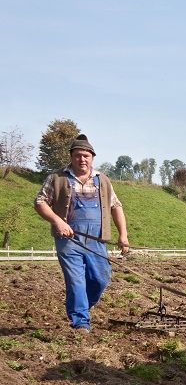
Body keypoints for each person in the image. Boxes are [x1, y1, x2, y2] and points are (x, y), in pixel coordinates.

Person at [34, 134, 130, 334]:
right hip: (68, 239)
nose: (82, 159)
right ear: (71, 157)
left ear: (92, 157)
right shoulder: (57, 178)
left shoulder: (102, 180)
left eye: (86, 155)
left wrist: (123, 235)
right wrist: (57, 221)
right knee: (76, 280)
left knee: (100, 279)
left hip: (96, 239)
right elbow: (40, 202)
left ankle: (81, 305)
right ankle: (81, 322)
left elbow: (116, 206)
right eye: (78, 155)